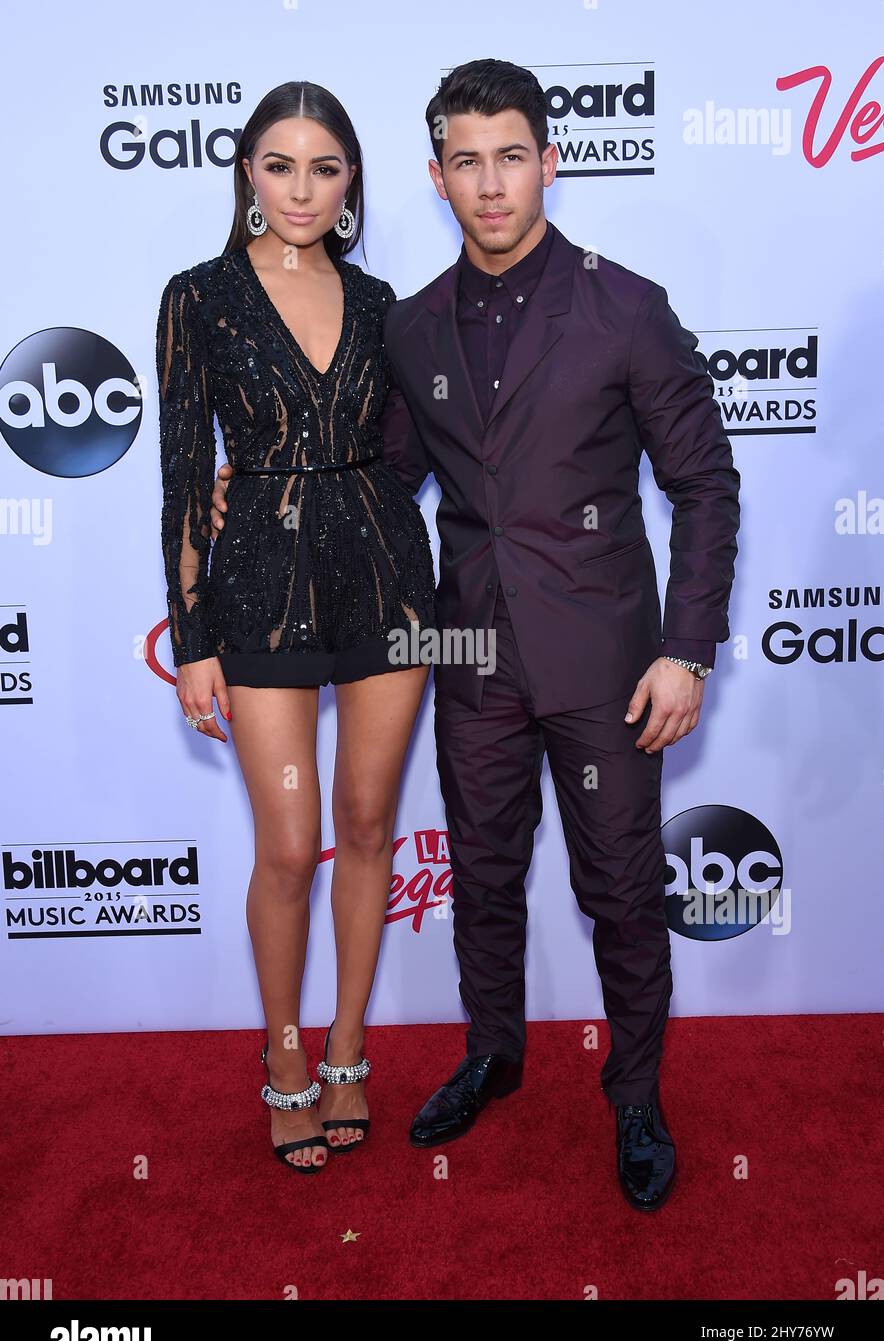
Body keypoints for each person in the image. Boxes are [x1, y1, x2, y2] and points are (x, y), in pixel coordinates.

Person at [211, 59, 741, 1211]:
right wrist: (243, 488)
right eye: (466, 161)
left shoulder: (625, 306)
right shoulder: (409, 325)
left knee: (617, 891)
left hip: (607, 662)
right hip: (464, 656)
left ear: (547, 161)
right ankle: (493, 1052)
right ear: (438, 176)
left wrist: (686, 648)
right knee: (485, 875)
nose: (490, 184)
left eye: (511, 157)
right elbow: (379, 468)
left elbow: (703, 482)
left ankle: (636, 1098)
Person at [156, 81, 436, 1173]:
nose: (303, 188)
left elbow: (414, 451)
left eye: (325, 168)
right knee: (288, 844)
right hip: (259, 583)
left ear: (351, 180)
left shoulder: (381, 304)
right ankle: (284, 1060)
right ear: (247, 175)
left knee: (367, 825)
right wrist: (192, 638)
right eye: (281, 165)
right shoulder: (199, 296)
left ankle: (349, 1050)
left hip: (386, 582)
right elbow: (184, 475)